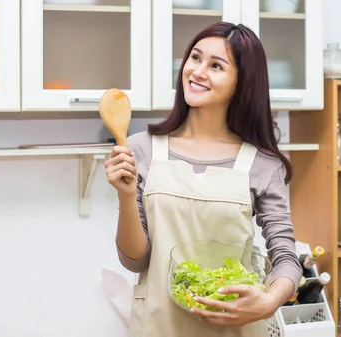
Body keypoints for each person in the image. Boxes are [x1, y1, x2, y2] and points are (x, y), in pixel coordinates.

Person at [104, 21, 302, 337]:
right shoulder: (142, 149)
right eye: (195, 58)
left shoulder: (261, 165)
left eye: (216, 66)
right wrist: (126, 195)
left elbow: (287, 258)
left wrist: (268, 302)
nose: (197, 71)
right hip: (159, 326)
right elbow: (136, 261)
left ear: (242, 83)